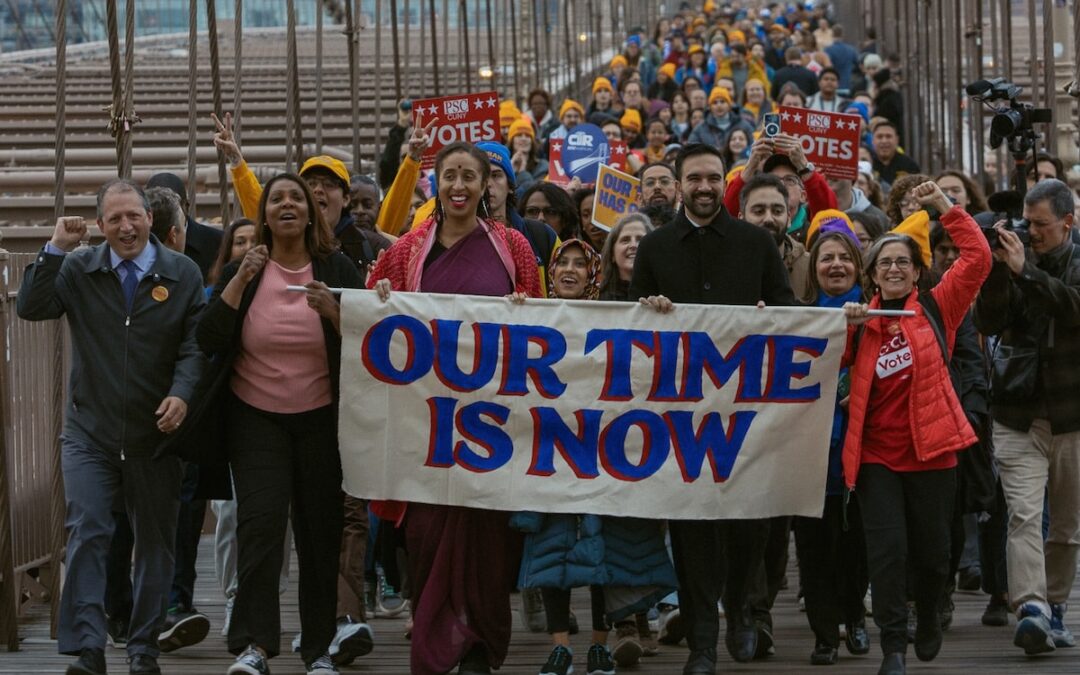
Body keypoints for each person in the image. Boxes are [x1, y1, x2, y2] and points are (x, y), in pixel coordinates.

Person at [17, 179, 207, 675]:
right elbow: (31, 306)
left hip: (157, 434)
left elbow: (195, 346)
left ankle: (143, 647)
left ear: (150, 218)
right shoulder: (79, 267)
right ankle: (88, 647)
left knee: (155, 541)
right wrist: (55, 249)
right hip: (89, 431)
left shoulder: (181, 273)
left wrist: (182, 394)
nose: (126, 227)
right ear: (100, 226)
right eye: (115, 219)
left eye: (134, 216)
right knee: (88, 530)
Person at [367, 142, 540, 675]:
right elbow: (373, 307)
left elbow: (544, 323)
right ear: (435, 185)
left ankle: (479, 649)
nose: (461, 186)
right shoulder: (409, 248)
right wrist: (377, 297)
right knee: (425, 535)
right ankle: (437, 640)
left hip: (492, 422)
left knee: (488, 539)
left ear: (488, 184)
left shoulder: (513, 245)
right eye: (450, 176)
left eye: (472, 176)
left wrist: (524, 310)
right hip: (428, 425)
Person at [629, 144, 795, 674]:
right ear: (679, 185)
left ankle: (743, 607)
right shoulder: (654, 248)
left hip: (745, 412)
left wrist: (772, 316)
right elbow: (632, 326)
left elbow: (789, 314)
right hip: (681, 417)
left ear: (724, 182)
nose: (703, 187)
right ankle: (702, 642)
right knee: (693, 531)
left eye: (712, 178)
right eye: (694, 178)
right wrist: (648, 310)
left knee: (750, 525)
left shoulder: (756, 243)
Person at [191, 173, 363, 675]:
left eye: (297, 198)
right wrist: (241, 278)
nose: (287, 204)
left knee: (319, 533)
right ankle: (255, 645)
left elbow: (372, 341)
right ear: (263, 214)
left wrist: (337, 314)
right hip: (255, 419)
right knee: (259, 529)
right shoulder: (247, 267)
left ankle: (318, 650)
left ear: (312, 212)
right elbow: (208, 336)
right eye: (277, 199)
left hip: (321, 421)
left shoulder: (337, 266)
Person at [842, 181, 992, 675]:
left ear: (917, 270)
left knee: (932, 554)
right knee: (887, 554)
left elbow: (977, 257)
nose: (893, 268)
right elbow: (817, 360)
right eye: (883, 263)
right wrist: (846, 326)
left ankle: (930, 611)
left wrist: (944, 206)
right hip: (876, 458)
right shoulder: (859, 320)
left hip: (933, 453)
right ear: (872, 274)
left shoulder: (937, 307)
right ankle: (893, 649)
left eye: (902, 261)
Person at [516, 238, 677, 675]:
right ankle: (560, 647)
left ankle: (600, 645)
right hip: (550, 453)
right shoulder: (529, 314)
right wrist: (510, 313)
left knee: (602, 552)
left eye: (578, 264)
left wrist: (656, 311)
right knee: (554, 553)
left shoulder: (617, 317)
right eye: (561, 263)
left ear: (593, 274)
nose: (569, 270)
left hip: (602, 453)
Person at [972, 179, 1080, 657]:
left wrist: (1028, 273)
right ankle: (1032, 608)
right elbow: (989, 322)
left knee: (1066, 526)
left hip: (1072, 414)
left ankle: (1055, 604)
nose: (1030, 233)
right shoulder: (1015, 260)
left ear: (1068, 222)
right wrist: (998, 271)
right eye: (1026, 223)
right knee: (1023, 515)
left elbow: (1074, 308)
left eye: (1040, 225)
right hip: (1017, 413)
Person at [794, 219, 870, 665]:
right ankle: (824, 633)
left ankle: (854, 617)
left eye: (845, 258)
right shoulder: (797, 313)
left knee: (855, 548)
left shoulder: (878, 309)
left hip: (860, 455)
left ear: (858, 266)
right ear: (814, 268)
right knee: (814, 549)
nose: (837, 265)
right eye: (827, 259)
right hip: (808, 454)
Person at [738, 173, 809, 298]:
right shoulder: (724, 264)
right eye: (759, 211)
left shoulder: (810, 267)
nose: (768, 219)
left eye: (777, 211)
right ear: (741, 218)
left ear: (788, 218)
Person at [145, 172, 224, 281]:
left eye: (171, 204)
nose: (165, 209)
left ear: (186, 206)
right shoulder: (134, 246)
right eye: (157, 204)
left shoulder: (218, 242)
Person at [598, 213, 654, 301]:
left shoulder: (664, 293)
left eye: (640, 239)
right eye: (625, 240)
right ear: (612, 254)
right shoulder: (595, 297)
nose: (633, 245)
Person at [687, 86, 754, 150]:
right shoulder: (700, 129)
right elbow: (690, 150)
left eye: (722, 101)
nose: (719, 105)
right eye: (715, 102)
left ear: (729, 105)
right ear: (710, 107)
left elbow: (753, 146)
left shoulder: (744, 125)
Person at [520, 183, 586, 244]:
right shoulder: (510, 254)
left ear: (565, 220)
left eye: (551, 212)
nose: (541, 218)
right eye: (532, 211)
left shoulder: (581, 255)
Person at [871, 120, 920, 193]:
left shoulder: (909, 165)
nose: (884, 141)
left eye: (888, 136)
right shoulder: (868, 163)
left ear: (897, 140)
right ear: (873, 140)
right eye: (880, 137)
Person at [824, 24, 859, 95]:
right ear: (843, 34)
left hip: (833, 87)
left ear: (832, 34)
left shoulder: (828, 50)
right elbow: (858, 65)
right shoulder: (851, 50)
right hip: (848, 85)